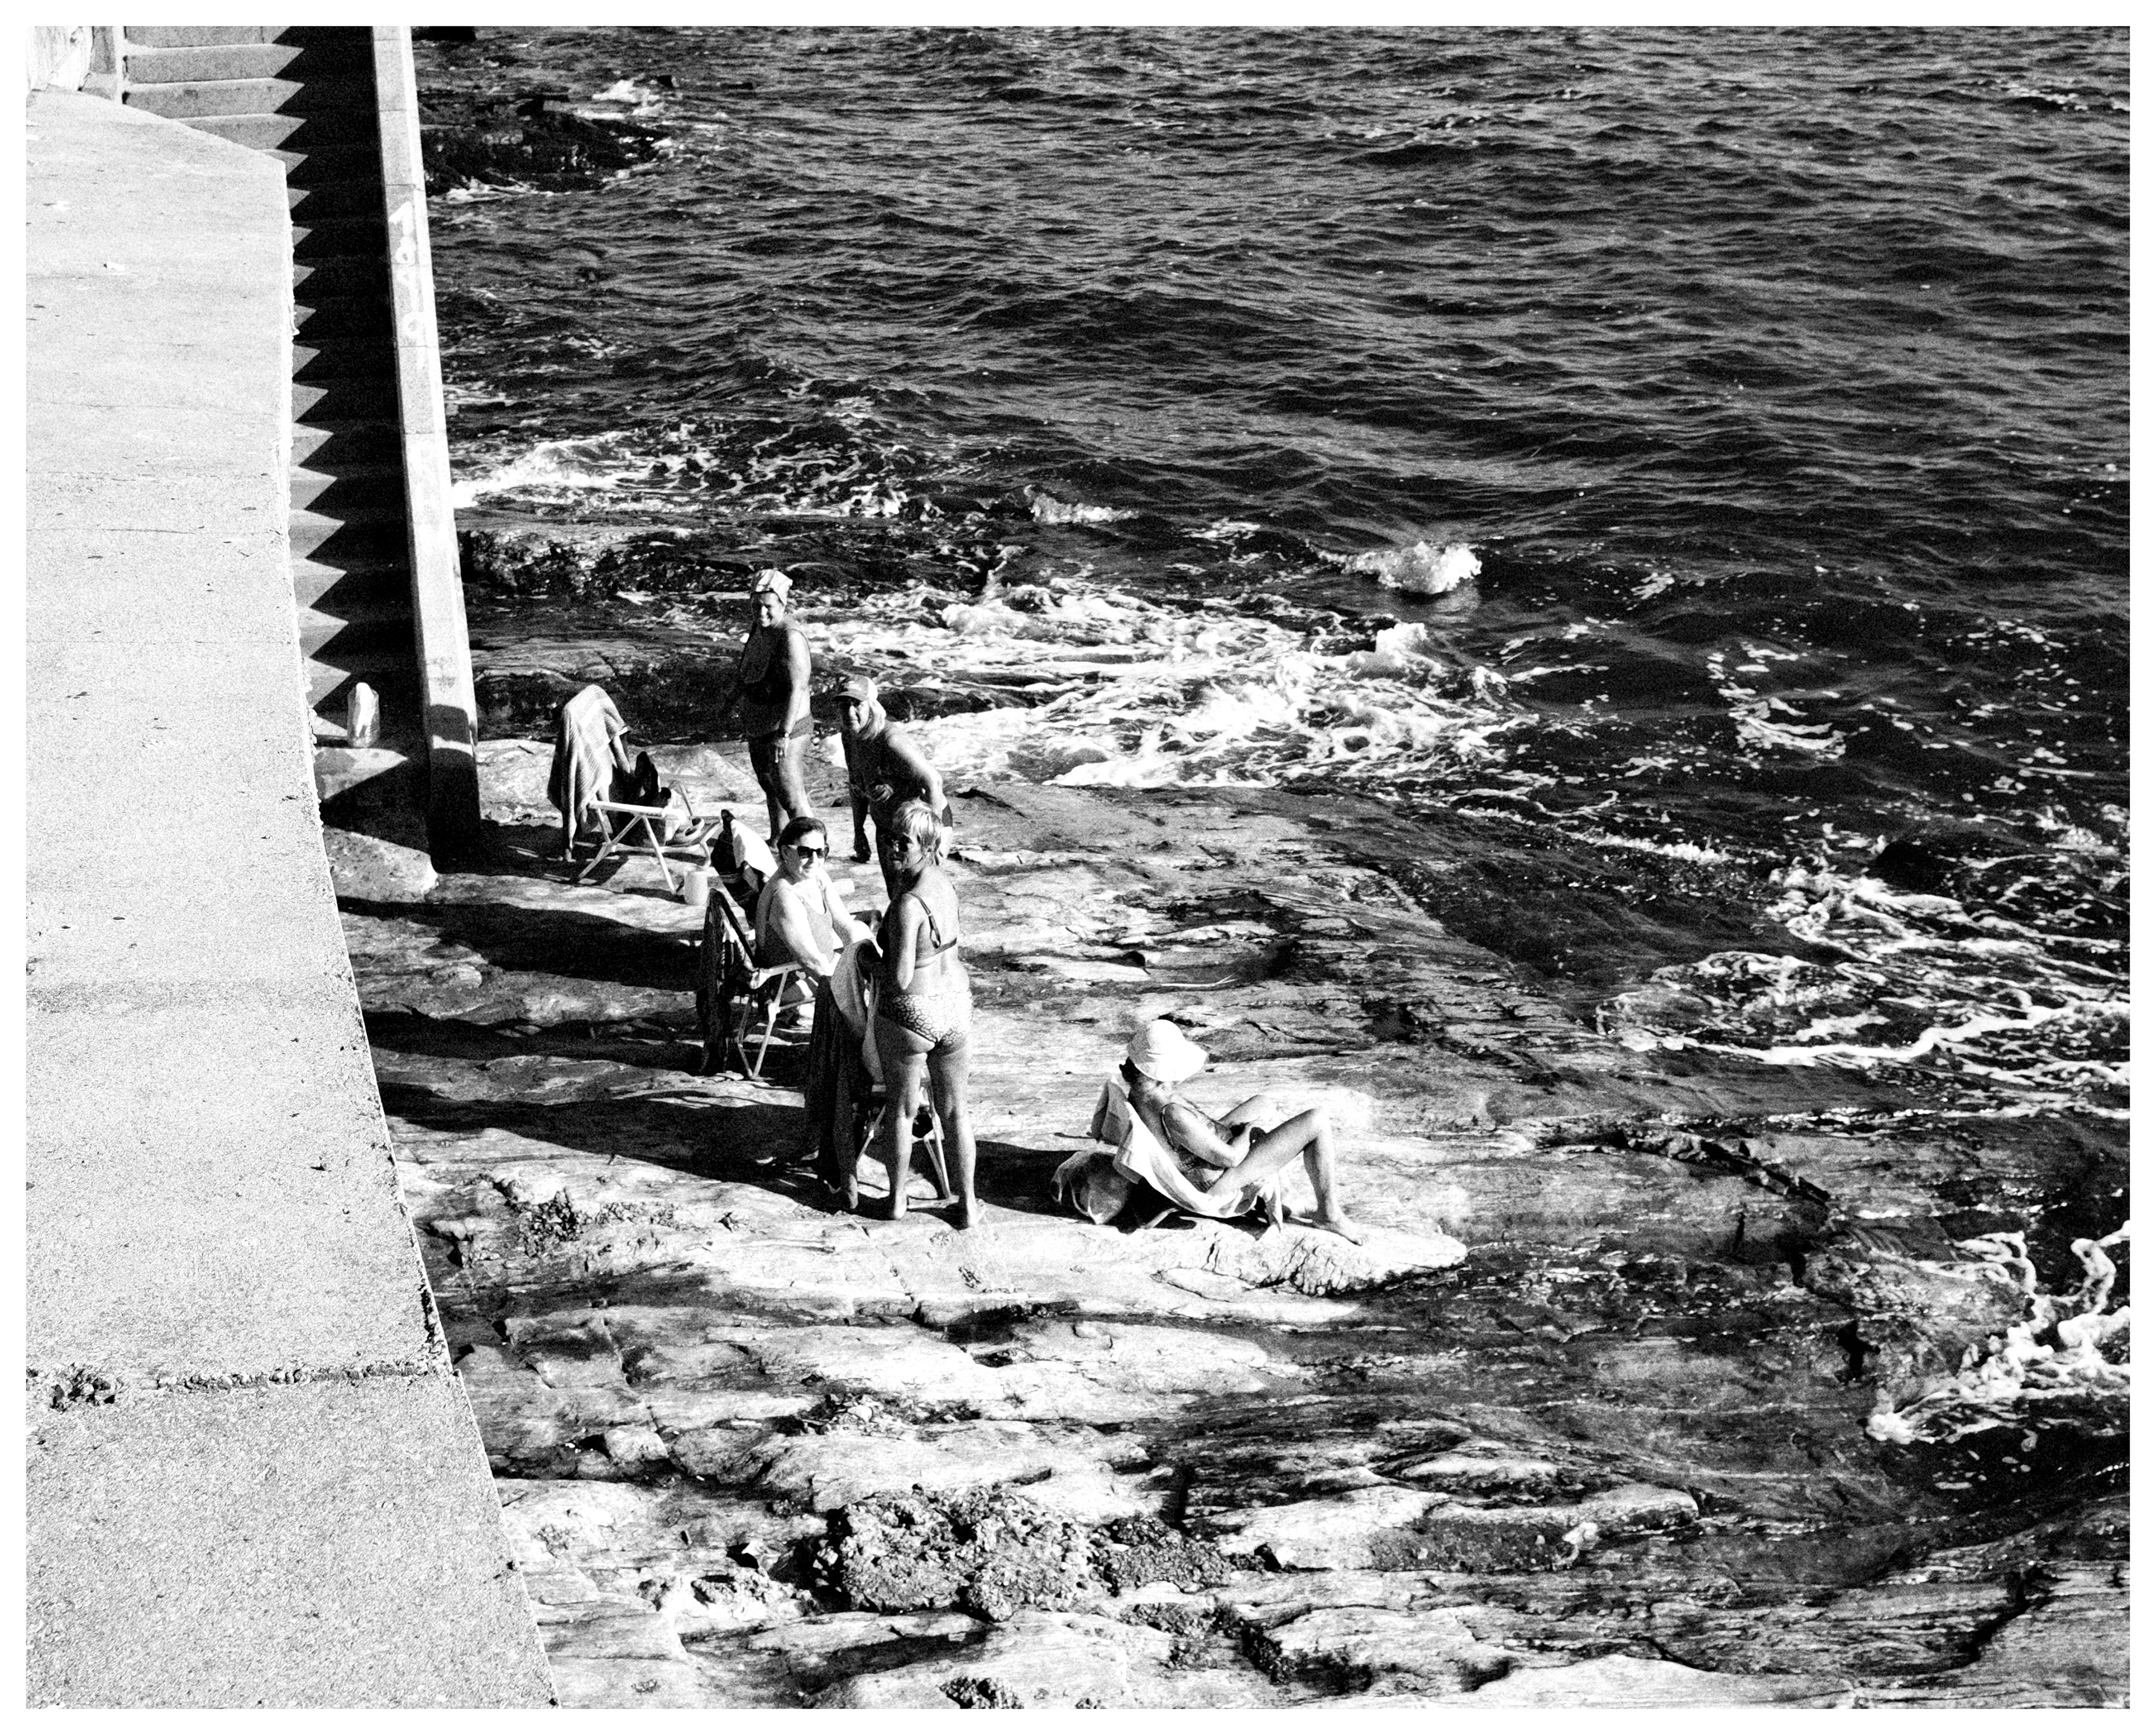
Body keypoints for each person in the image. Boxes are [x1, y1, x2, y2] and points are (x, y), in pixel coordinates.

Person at [1115, 1020, 1364, 1243]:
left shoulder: (1140, 1095)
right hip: (1217, 1181)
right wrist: (1248, 1133)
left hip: (1198, 1157)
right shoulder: (1172, 1113)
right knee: (1316, 1121)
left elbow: (1184, 1136)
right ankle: (1330, 1214)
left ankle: (1287, 1196)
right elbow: (1231, 1158)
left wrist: (1225, 1129)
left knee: (1262, 1103)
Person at [870, 799, 977, 1228]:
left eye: (905, 842)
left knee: (902, 1110)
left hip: (914, 1009)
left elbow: (898, 979)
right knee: (956, 1112)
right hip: (955, 1005)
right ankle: (968, 1203)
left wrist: (866, 959)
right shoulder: (947, 887)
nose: (893, 848)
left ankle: (897, 1200)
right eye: (890, 838)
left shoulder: (907, 904)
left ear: (929, 846)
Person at [837, 675, 951, 892]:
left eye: (857, 704)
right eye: (844, 705)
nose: (849, 712)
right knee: (895, 895)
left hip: (919, 831)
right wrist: (859, 832)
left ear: (872, 706)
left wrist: (932, 839)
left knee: (918, 894)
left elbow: (934, 781)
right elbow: (856, 785)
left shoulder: (891, 740)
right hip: (887, 829)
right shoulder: (849, 736)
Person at [754, 817, 871, 1009]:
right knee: (864, 991)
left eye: (821, 852)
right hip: (790, 981)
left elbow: (846, 926)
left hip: (819, 966)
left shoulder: (816, 876)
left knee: (861, 930)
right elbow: (811, 961)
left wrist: (873, 972)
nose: (815, 860)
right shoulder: (785, 896)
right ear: (786, 852)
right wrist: (851, 995)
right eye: (805, 852)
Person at [733, 568, 815, 843]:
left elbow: (798, 688)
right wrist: (731, 703)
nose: (761, 612)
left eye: (768, 606)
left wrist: (785, 734)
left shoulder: (791, 637)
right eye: (756, 606)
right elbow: (748, 669)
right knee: (770, 785)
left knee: (791, 796)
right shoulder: (759, 627)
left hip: (787, 727)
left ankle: (813, 847)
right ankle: (779, 838)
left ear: (783, 604)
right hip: (760, 725)